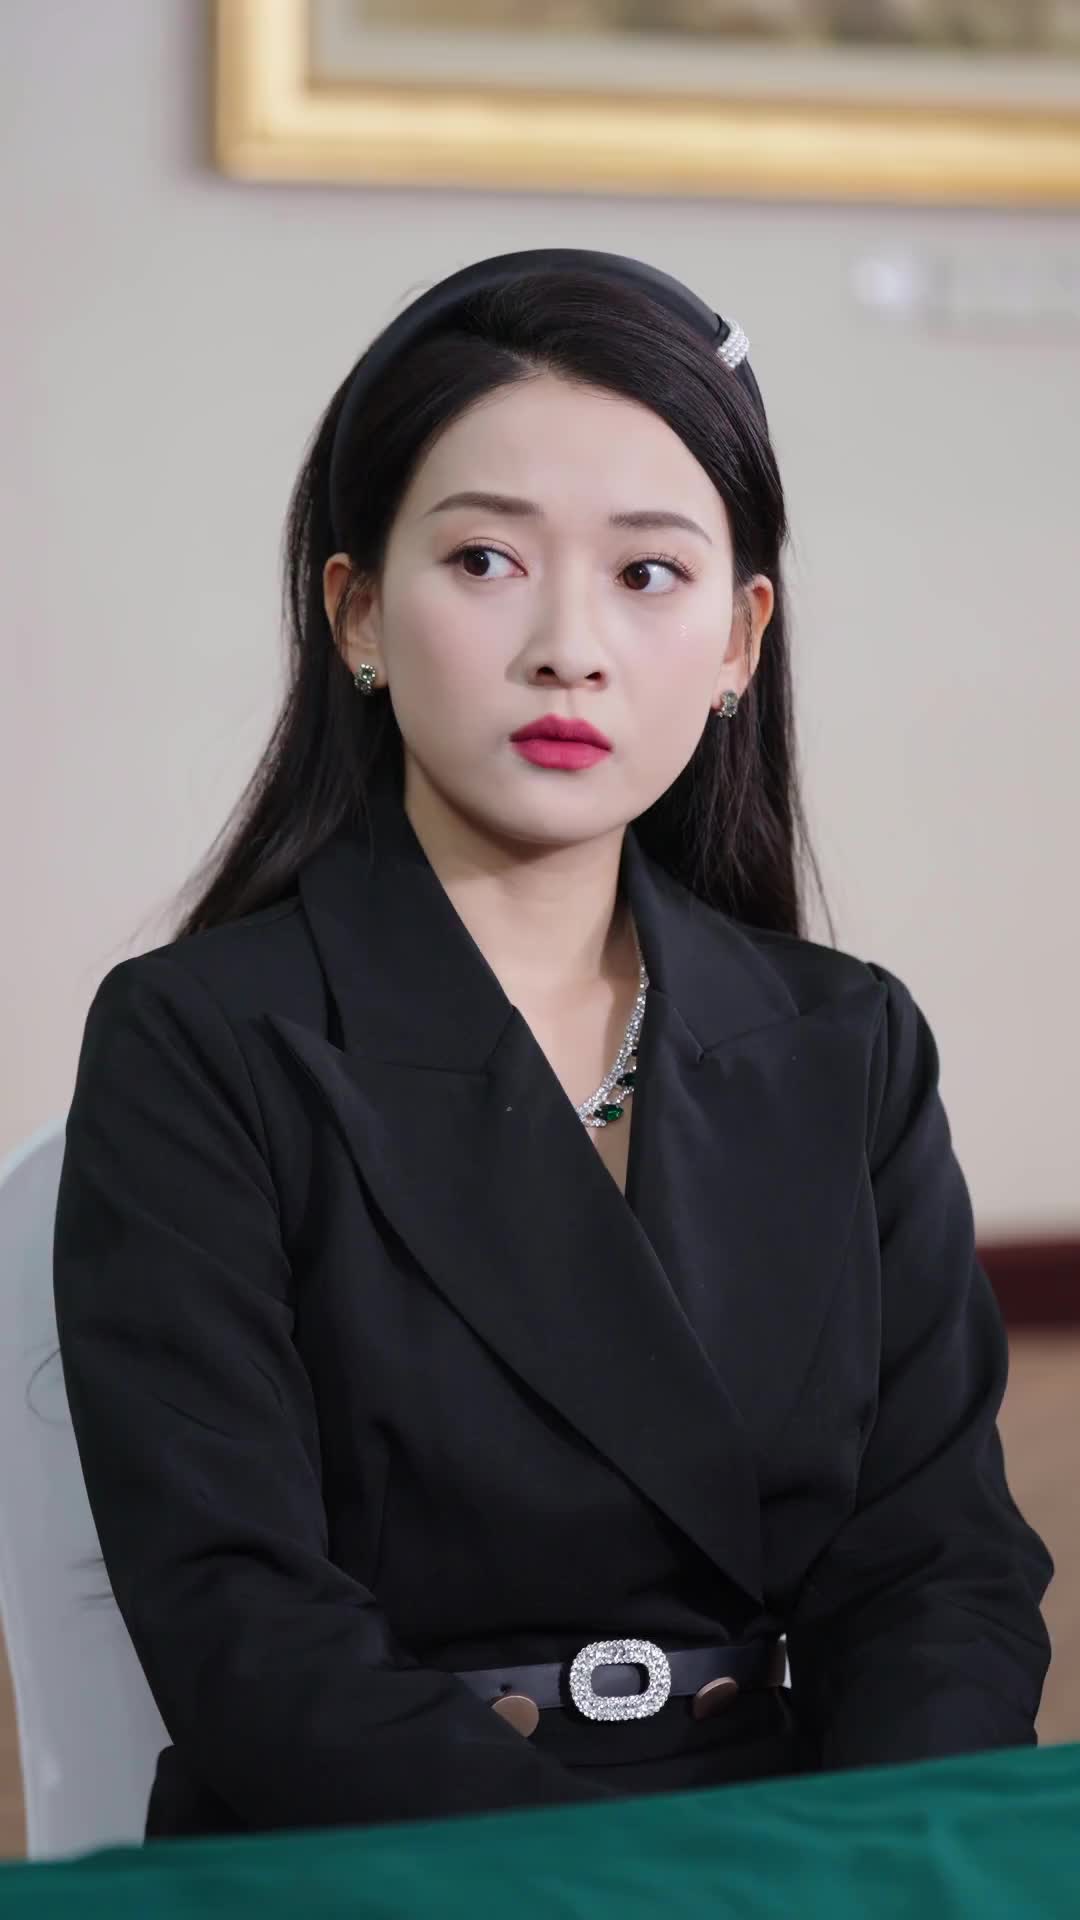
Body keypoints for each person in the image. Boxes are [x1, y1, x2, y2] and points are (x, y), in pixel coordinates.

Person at [53, 249, 1053, 1842]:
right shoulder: (199, 1043)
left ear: (739, 641)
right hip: (385, 1859)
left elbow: (942, 1577)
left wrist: (868, 1865)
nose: (569, 647)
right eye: (485, 561)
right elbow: (245, 1629)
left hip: (793, 1855)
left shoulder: (848, 1043)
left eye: (649, 573)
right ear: (356, 612)